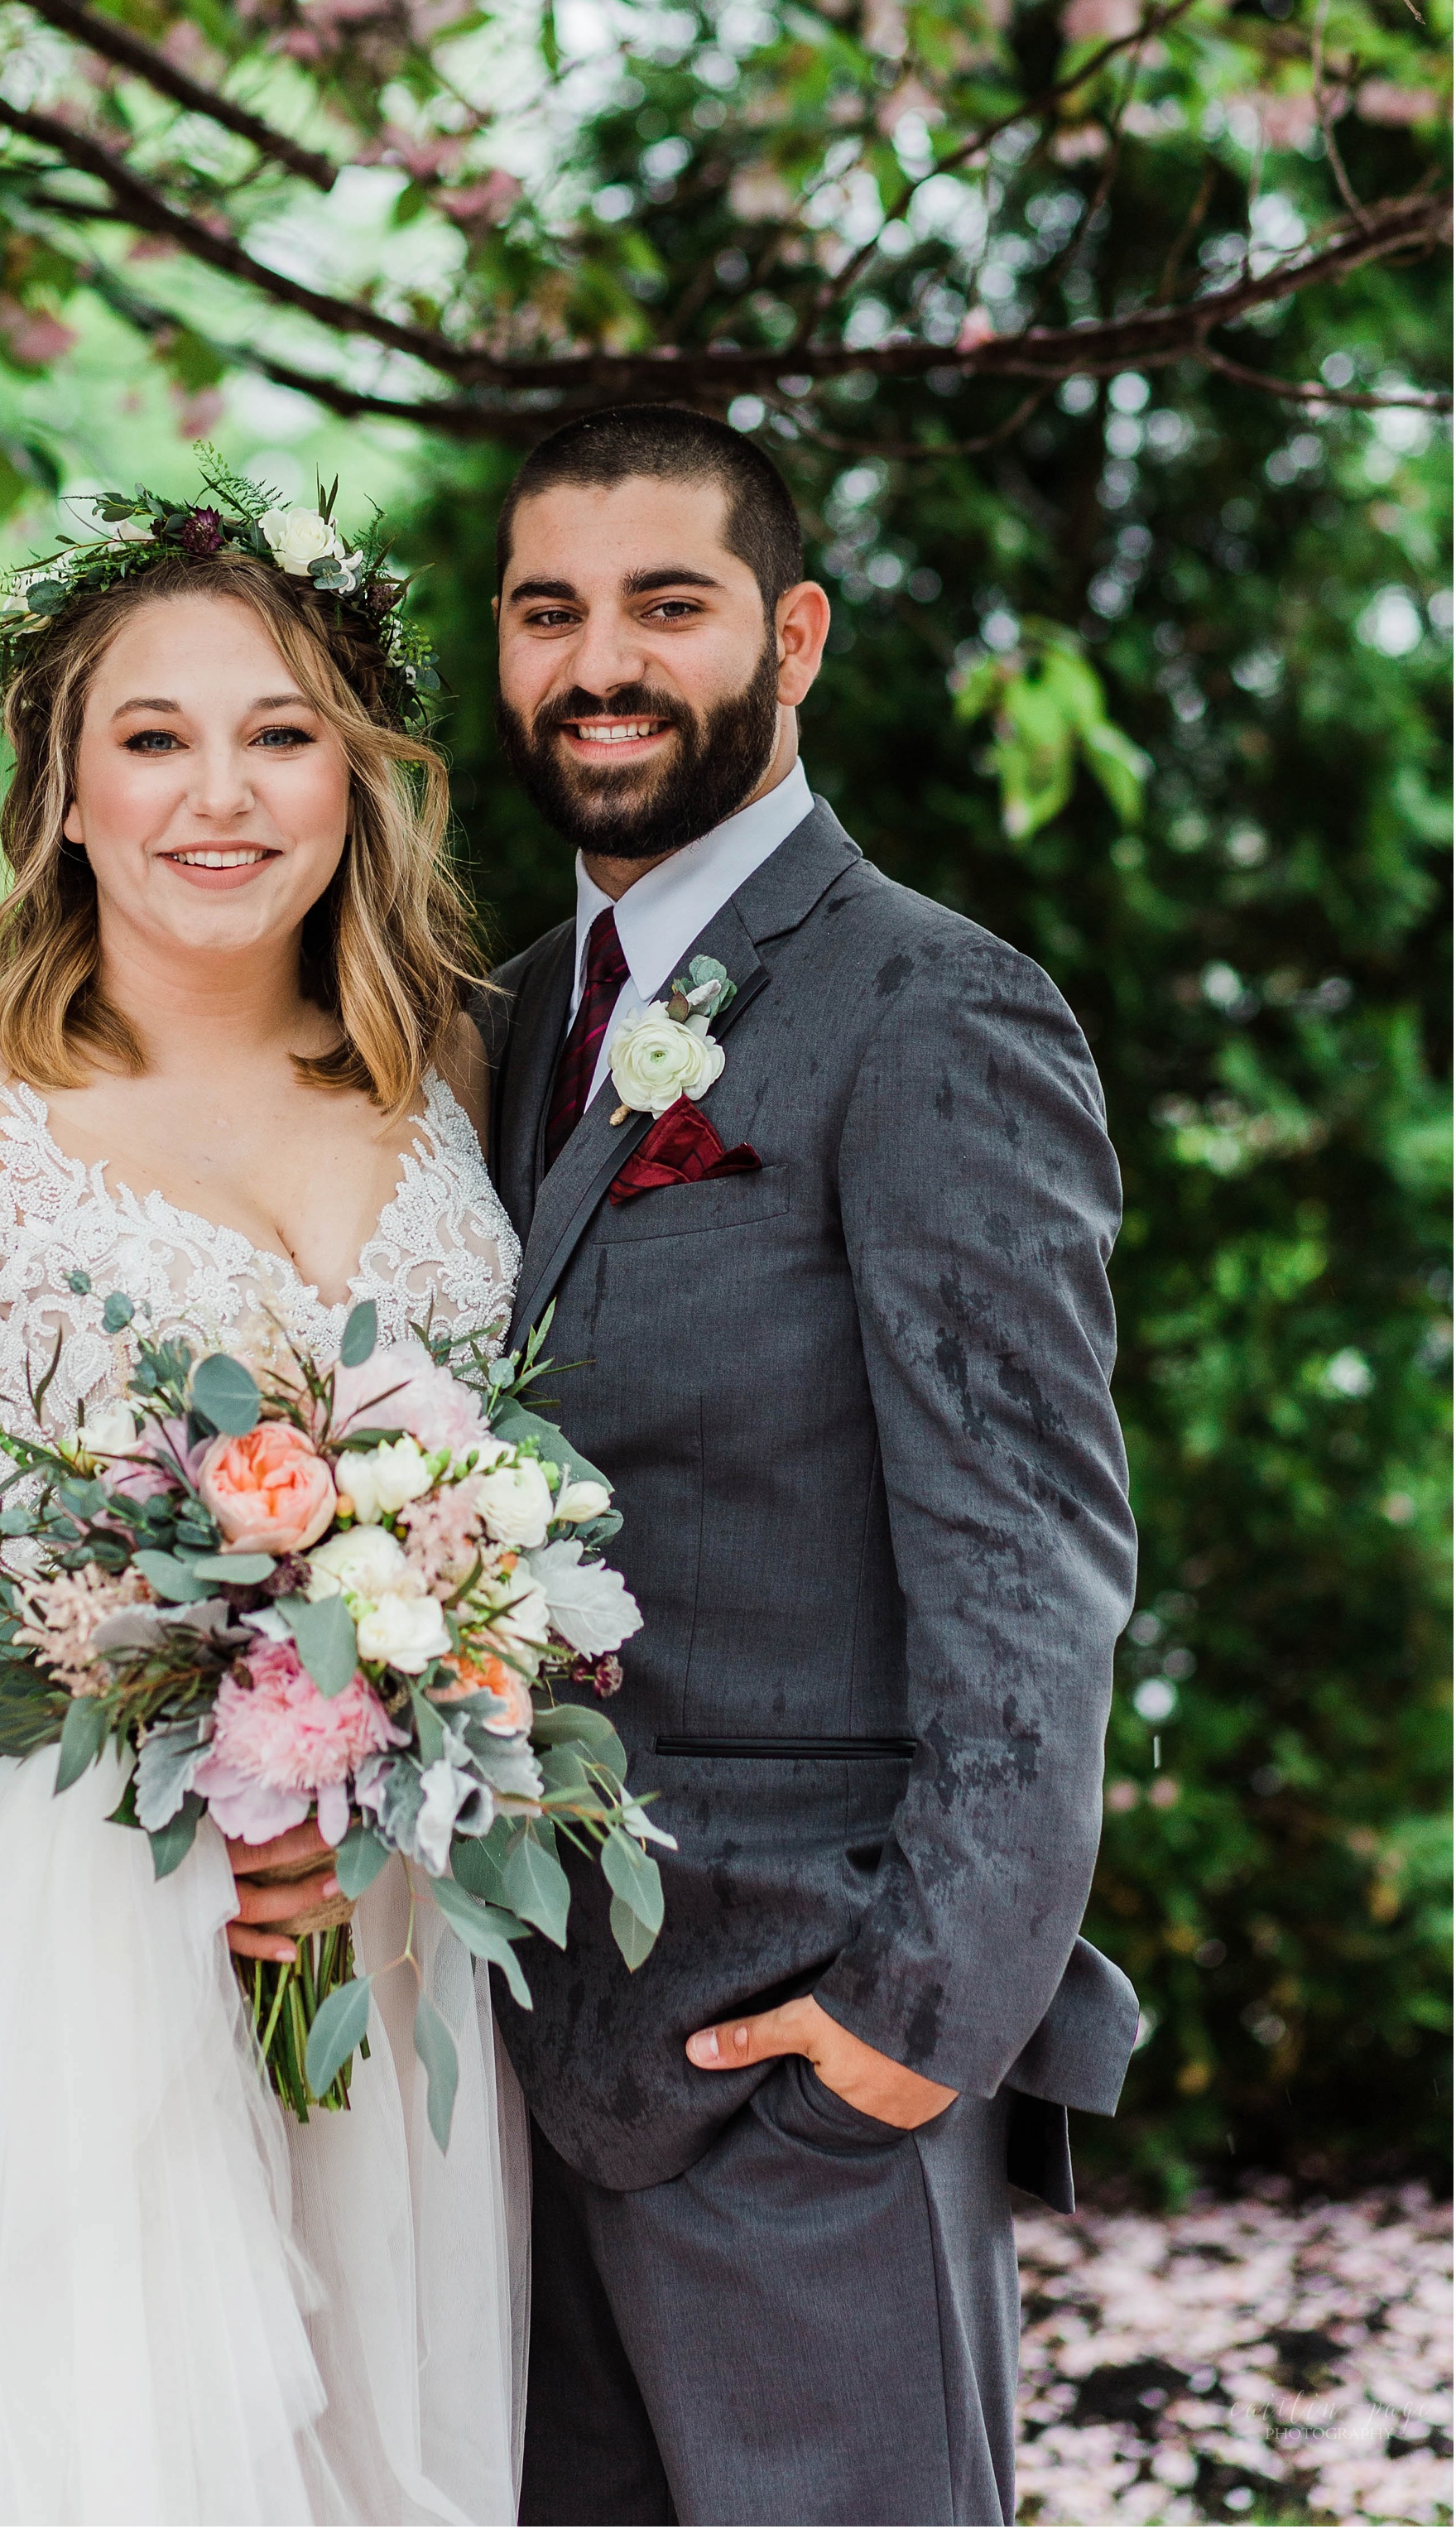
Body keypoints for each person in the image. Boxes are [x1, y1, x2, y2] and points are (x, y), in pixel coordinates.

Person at [0, 507, 527, 2526]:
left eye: (281, 733)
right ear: (56, 790)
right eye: (150, 738)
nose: (217, 794)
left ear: (363, 777)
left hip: (390, 1964)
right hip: (64, 2007)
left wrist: (387, 1711)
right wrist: (210, 1765)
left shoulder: (458, 1077)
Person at [481, 405, 1140, 2529]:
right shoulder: (479, 1032)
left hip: (800, 2037)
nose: (601, 661)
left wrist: (909, 2020)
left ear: (791, 636)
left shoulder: (930, 1009)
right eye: (547, 608)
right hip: (498, 2041)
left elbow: (1027, 1562)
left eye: (665, 605)